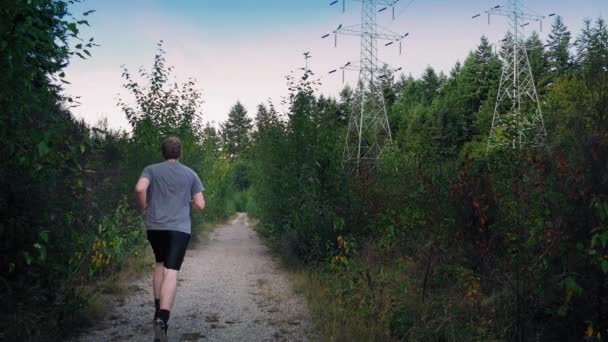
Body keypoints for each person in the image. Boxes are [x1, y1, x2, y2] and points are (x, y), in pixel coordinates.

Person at [134, 137, 205, 342]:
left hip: (155, 227)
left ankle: (157, 311)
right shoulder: (190, 174)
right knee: (171, 271)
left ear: (163, 152)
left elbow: (140, 188)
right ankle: (163, 319)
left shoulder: (151, 170)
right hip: (179, 229)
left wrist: (144, 206)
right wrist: (187, 204)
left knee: (159, 264)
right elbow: (200, 204)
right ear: (180, 152)